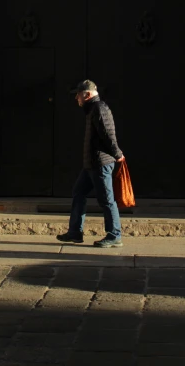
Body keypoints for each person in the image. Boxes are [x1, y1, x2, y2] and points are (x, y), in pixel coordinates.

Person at [57, 80, 125, 248]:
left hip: (100, 163)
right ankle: (75, 232)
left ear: (87, 94)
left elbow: (108, 135)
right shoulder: (92, 110)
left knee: (107, 199)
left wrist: (118, 154)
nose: (76, 98)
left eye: (78, 94)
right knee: (78, 193)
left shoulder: (99, 109)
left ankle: (114, 234)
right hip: (91, 164)